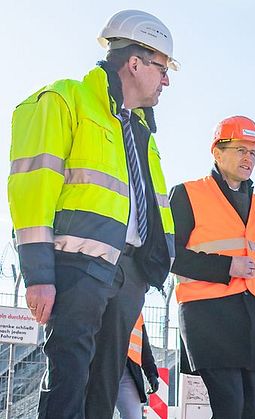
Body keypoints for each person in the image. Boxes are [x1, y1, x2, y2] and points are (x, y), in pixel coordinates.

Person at [7, 9, 178, 418]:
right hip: (77, 266)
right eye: (162, 67)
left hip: (129, 273)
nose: (167, 80)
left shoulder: (141, 130)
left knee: (104, 386)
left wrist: (152, 266)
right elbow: (32, 191)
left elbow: (150, 208)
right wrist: (39, 275)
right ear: (134, 63)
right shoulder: (64, 99)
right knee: (70, 379)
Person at [170, 116, 255, 418]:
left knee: (252, 410)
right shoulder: (187, 194)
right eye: (240, 150)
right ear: (217, 152)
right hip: (209, 316)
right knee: (230, 407)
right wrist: (226, 267)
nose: (248, 159)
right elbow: (169, 256)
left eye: (253, 152)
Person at [115, 314, 160, 418]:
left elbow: (143, 345)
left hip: (127, 370)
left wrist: (151, 373)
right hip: (99, 371)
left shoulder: (137, 312)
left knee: (133, 416)